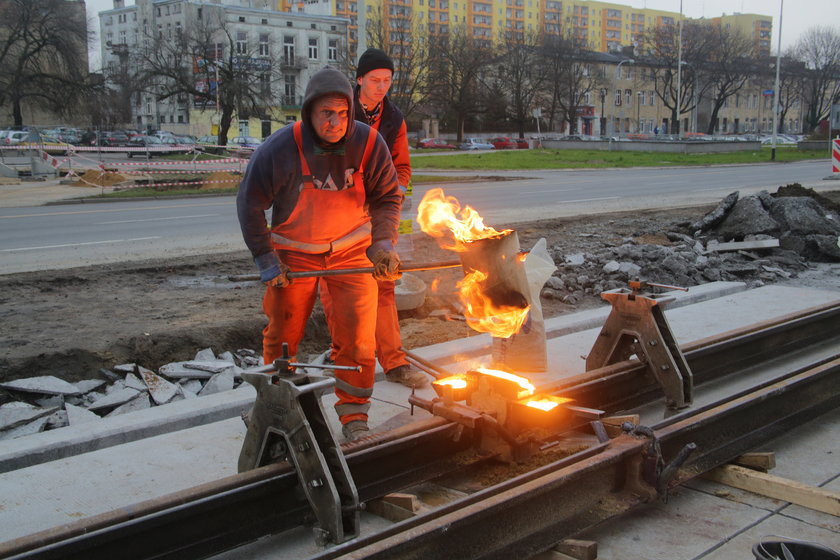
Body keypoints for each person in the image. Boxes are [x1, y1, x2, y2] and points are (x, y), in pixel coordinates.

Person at [236, 66, 403, 442]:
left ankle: (354, 415)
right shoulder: (279, 150)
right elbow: (249, 204)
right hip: (293, 256)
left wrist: (382, 245)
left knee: (359, 340)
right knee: (282, 335)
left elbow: (388, 197)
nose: (336, 122)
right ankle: (273, 409)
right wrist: (266, 259)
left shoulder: (368, 143)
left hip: (351, 251)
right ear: (309, 113)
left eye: (343, 113)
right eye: (327, 113)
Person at [321, 48, 427, 389]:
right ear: (360, 79)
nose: (382, 87)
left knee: (383, 284)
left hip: (378, 218)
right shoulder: (337, 110)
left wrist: (388, 192)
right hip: (338, 218)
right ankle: (347, 363)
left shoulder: (393, 118)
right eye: (376, 80)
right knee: (338, 292)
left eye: (388, 81)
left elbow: (404, 167)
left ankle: (394, 362)